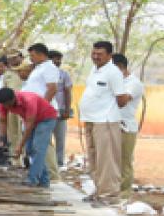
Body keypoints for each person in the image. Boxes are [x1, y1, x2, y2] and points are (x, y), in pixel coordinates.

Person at [80, 41, 131, 206]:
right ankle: (99, 190)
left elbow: (121, 99)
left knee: (107, 159)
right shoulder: (94, 70)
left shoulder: (113, 72)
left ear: (109, 55)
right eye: (94, 53)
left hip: (106, 121)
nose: (95, 57)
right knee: (94, 158)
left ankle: (109, 195)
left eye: (100, 54)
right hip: (91, 119)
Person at [0, 87, 58, 187]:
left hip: (46, 119)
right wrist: (2, 140)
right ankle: (44, 181)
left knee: (38, 148)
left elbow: (29, 126)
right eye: (5, 105)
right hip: (31, 120)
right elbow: (3, 121)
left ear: (13, 98)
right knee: (29, 150)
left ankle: (32, 179)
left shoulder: (29, 100)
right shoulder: (3, 104)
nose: (7, 107)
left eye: (9, 104)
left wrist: (20, 147)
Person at [24, 43, 61, 179]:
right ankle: (44, 175)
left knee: (40, 146)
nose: (31, 58)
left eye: (32, 55)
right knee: (35, 146)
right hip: (34, 111)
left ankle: (49, 175)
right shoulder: (38, 68)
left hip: (44, 112)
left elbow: (52, 89)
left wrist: (42, 108)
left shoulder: (49, 68)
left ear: (41, 54)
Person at [113, 53, 144, 199]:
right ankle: (112, 189)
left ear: (119, 67)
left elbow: (123, 101)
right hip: (111, 124)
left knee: (124, 161)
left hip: (126, 127)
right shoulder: (115, 82)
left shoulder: (134, 83)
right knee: (112, 160)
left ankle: (124, 193)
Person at [48, 50, 73, 165]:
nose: (58, 61)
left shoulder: (64, 74)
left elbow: (68, 92)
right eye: (55, 59)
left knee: (60, 139)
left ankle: (59, 162)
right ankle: (48, 162)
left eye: (59, 59)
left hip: (61, 111)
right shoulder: (44, 73)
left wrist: (67, 109)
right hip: (46, 111)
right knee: (46, 138)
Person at [3, 49, 26, 154]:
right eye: (10, 58)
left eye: (14, 57)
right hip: (12, 106)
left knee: (24, 131)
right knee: (13, 132)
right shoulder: (7, 74)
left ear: (21, 57)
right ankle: (15, 158)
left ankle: (26, 157)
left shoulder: (28, 69)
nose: (12, 60)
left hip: (26, 106)